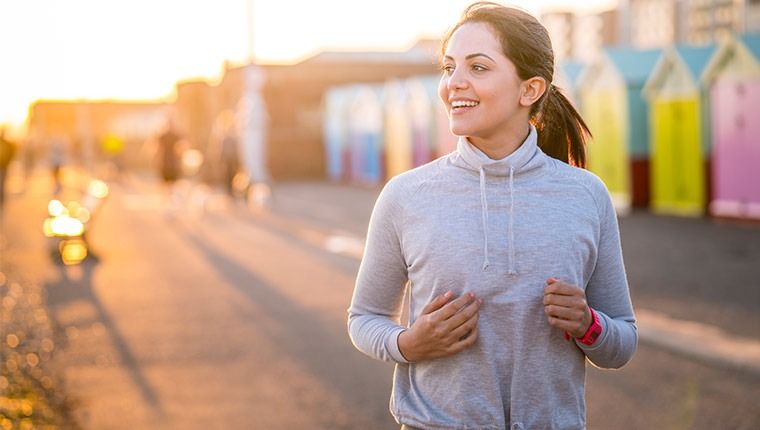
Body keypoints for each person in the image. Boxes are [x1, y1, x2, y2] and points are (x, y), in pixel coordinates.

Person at [347, 3, 637, 429]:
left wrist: (588, 325)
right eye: (449, 68)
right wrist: (409, 343)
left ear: (530, 89)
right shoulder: (405, 196)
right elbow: (364, 318)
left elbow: (622, 341)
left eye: (478, 67)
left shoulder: (585, 196)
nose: (453, 84)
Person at [0, 126, 17, 211]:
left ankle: (2, 196)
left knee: (2, 182)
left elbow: (11, 153)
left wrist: (8, 162)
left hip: (3, 166)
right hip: (3, 165)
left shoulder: (7, 143)